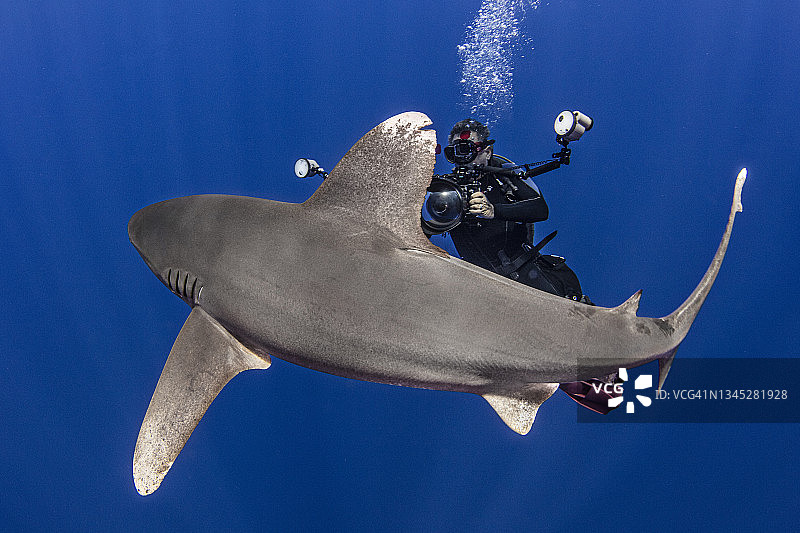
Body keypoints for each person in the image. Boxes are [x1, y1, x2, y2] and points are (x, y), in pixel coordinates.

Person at [442, 119, 589, 303]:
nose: (462, 159)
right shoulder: (445, 189)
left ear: (487, 151)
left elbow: (540, 209)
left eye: (467, 150)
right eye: (454, 153)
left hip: (523, 273)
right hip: (479, 286)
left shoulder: (504, 175)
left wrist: (494, 210)